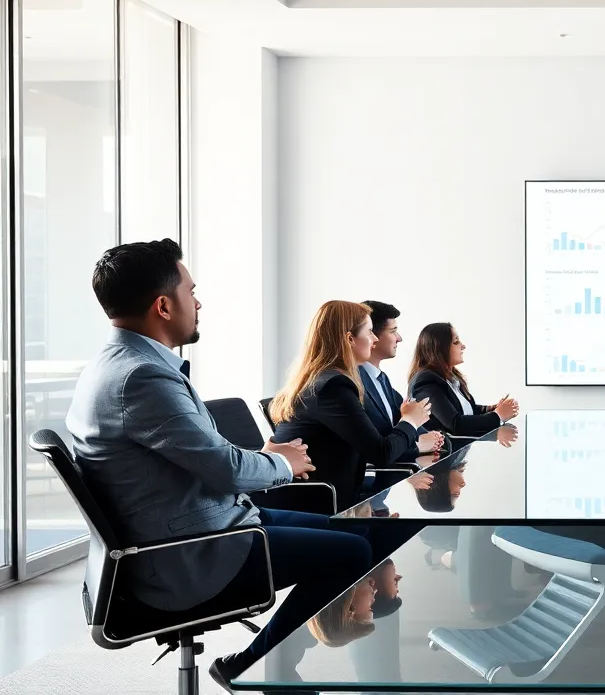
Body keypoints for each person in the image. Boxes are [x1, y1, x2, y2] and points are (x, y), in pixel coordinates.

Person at [63, 239, 374, 690]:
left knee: (354, 531)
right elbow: (225, 468)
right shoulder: (141, 378)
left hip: (203, 519)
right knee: (355, 552)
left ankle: (266, 663)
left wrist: (267, 460)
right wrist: (280, 463)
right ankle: (263, 665)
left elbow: (208, 457)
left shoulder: (116, 365)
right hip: (189, 552)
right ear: (164, 306)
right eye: (192, 291)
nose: (199, 301)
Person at [270, 301, 444, 510]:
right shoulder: (334, 386)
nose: (375, 339)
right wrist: (410, 420)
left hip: (333, 496)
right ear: (350, 339)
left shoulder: (329, 379)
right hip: (317, 503)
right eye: (370, 332)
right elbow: (381, 454)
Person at [408, 322, 519, 437]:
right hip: (443, 453)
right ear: (439, 348)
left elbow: (468, 411)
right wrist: (498, 415)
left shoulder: (451, 377)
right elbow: (456, 424)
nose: (463, 346)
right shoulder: (426, 380)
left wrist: (491, 409)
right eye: (456, 342)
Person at [358, 300, 421, 462]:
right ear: (372, 337)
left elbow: (405, 419)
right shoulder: (351, 383)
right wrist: (419, 446)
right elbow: (379, 448)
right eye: (393, 331)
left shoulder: (382, 379)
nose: (399, 338)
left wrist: (436, 439)